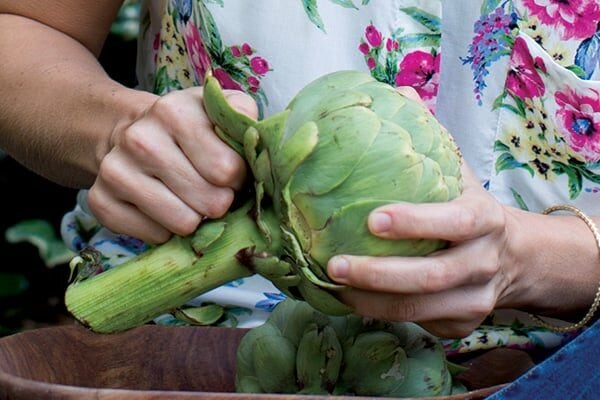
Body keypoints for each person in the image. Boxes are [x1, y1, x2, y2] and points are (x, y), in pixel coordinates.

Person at [0, 1, 599, 345]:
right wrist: (109, 127)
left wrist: (538, 259)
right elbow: (25, 25)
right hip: (175, 359)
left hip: (558, 366)